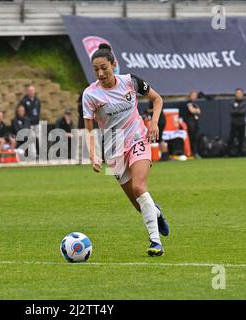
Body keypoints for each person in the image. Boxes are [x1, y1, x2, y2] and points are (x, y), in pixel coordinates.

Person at [82, 43, 169, 257]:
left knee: (140, 187)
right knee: (140, 206)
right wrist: (94, 155)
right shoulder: (90, 95)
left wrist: (154, 123)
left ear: (114, 64)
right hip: (114, 151)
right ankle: (155, 213)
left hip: (138, 138)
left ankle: (155, 242)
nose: (100, 73)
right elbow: (89, 129)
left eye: (104, 67)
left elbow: (157, 99)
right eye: (96, 69)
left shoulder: (130, 82)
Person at [180, 90, 202, 158]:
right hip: (189, 124)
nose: (194, 96)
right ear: (190, 95)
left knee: (195, 138)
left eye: (195, 95)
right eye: (193, 95)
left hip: (195, 123)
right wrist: (195, 110)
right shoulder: (188, 103)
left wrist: (196, 110)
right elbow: (192, 111)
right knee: (190, 138)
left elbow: (199, 111)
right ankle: (189, 152)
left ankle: (195, 152)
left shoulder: (195, 104)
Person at [228, 88, 246, 156]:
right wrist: (238, 111)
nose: (239, 94)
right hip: (234, 123)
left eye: (240, 93)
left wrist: (236, 111)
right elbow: (231, 112)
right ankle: (230, 152)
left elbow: (243, 111)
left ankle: (240, 152)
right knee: (231, 138)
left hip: (242, 123)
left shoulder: (244, 103)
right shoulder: (232, 102)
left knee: (241, 138)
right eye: (237, 93)